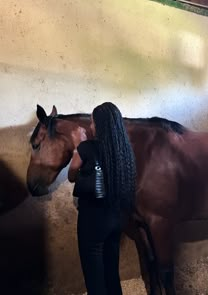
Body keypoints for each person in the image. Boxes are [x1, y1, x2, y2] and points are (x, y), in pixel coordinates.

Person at [68, 102, 136, 295]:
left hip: (93, 220)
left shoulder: (87, 148)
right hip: (116, 218)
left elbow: (72, 175)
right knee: (111, 272)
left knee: (94, 277)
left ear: (100, 124)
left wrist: (77, 147)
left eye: (92, 122)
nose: (91, 126)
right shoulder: (124, 150)